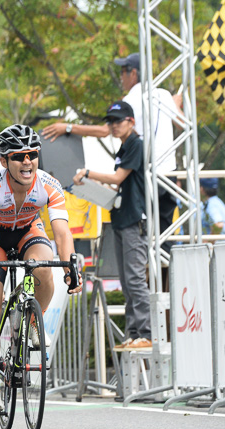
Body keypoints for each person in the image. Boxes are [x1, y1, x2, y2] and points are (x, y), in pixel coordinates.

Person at [0, 124, 82, 413]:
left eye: (32, 154)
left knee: (44, 267)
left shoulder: (49, 184)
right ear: (4, 161)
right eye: (19, 155)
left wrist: (72, 265)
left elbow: (61, 232)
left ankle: (34, 321)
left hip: (26, 230)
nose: (27, 161)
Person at [43, 52, 182, 248]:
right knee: (164, 238)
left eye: (122, 72)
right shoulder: (165, 95)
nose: (120, 78)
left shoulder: (133, 99)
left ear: (132, 73)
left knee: (143, 238)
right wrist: (175, 105)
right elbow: (183, 124)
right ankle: (166, 279)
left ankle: (148, 278)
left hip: (143, 175)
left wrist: (67, 127)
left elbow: (103, 131)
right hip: (169, 172)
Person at [73, 101, 151, 350]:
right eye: (111, 122)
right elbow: (119, 184)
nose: (114, 126)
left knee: (135, 278)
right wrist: (93, 188)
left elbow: (118, 178)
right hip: (120, 217)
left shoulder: (135, 144)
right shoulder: (124, 146)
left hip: (132, 219)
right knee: (127, 280)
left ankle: (145, 332)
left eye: (119, 121)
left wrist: (88, 174)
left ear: (131, 121)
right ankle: (134, 332)